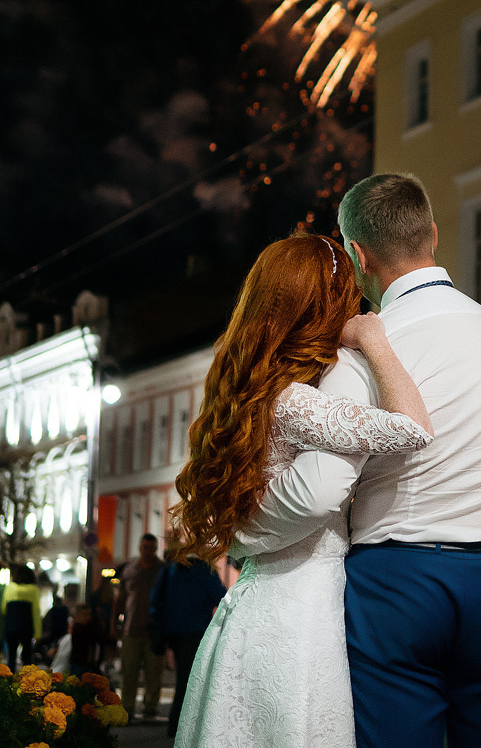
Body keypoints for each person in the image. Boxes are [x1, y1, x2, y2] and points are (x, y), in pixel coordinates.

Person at [221, 175, 481, 748]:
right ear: (434, 235)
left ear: (357, 253)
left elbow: (320, 488)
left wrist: (244, 532)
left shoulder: (363, 350)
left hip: (401, 579)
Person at [171, 231, 434, 748]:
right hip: (301, 611)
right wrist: (374, 340)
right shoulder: (295, 402)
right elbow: (414, 428)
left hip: (251, 603)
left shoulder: (252, 391)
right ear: (324, 304)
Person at [149, 537, 226, 736]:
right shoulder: (205, 570)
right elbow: (220, 596)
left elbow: (156, 599)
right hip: (196, 632)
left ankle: (176, 725)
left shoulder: (170, 570)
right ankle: (179, 726)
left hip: (173, 632)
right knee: (190, 679)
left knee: (183, 677)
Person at [112, 533, 164, 721]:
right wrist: (114, 624)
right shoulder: (129, 569)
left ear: (155, 549)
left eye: (151, 548)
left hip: (154, 631)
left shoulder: (162, 570)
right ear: (140, 548)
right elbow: (120, 599)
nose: (148, 551)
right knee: (129, 672)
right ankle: (127, 707)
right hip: (131, 629)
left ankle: (150, 707)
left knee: (153, 674)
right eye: (145, 547)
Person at [2, 563, 42, 671]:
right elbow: (36, 613)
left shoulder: (9, 588)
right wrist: (38, 634)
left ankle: (9, 682)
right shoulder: (33, 590)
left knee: (11, 658)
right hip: (26, 628)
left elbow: (3, 609)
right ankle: (28, 683)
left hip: (10, 627)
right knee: (27, 658)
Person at [69, 601, 104, 676]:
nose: (87, 617)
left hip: (86, 665)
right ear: (77, 616)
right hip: (78, 663)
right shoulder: (79, 629)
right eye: (84, 615)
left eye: (89, 615)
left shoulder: (90, 628)